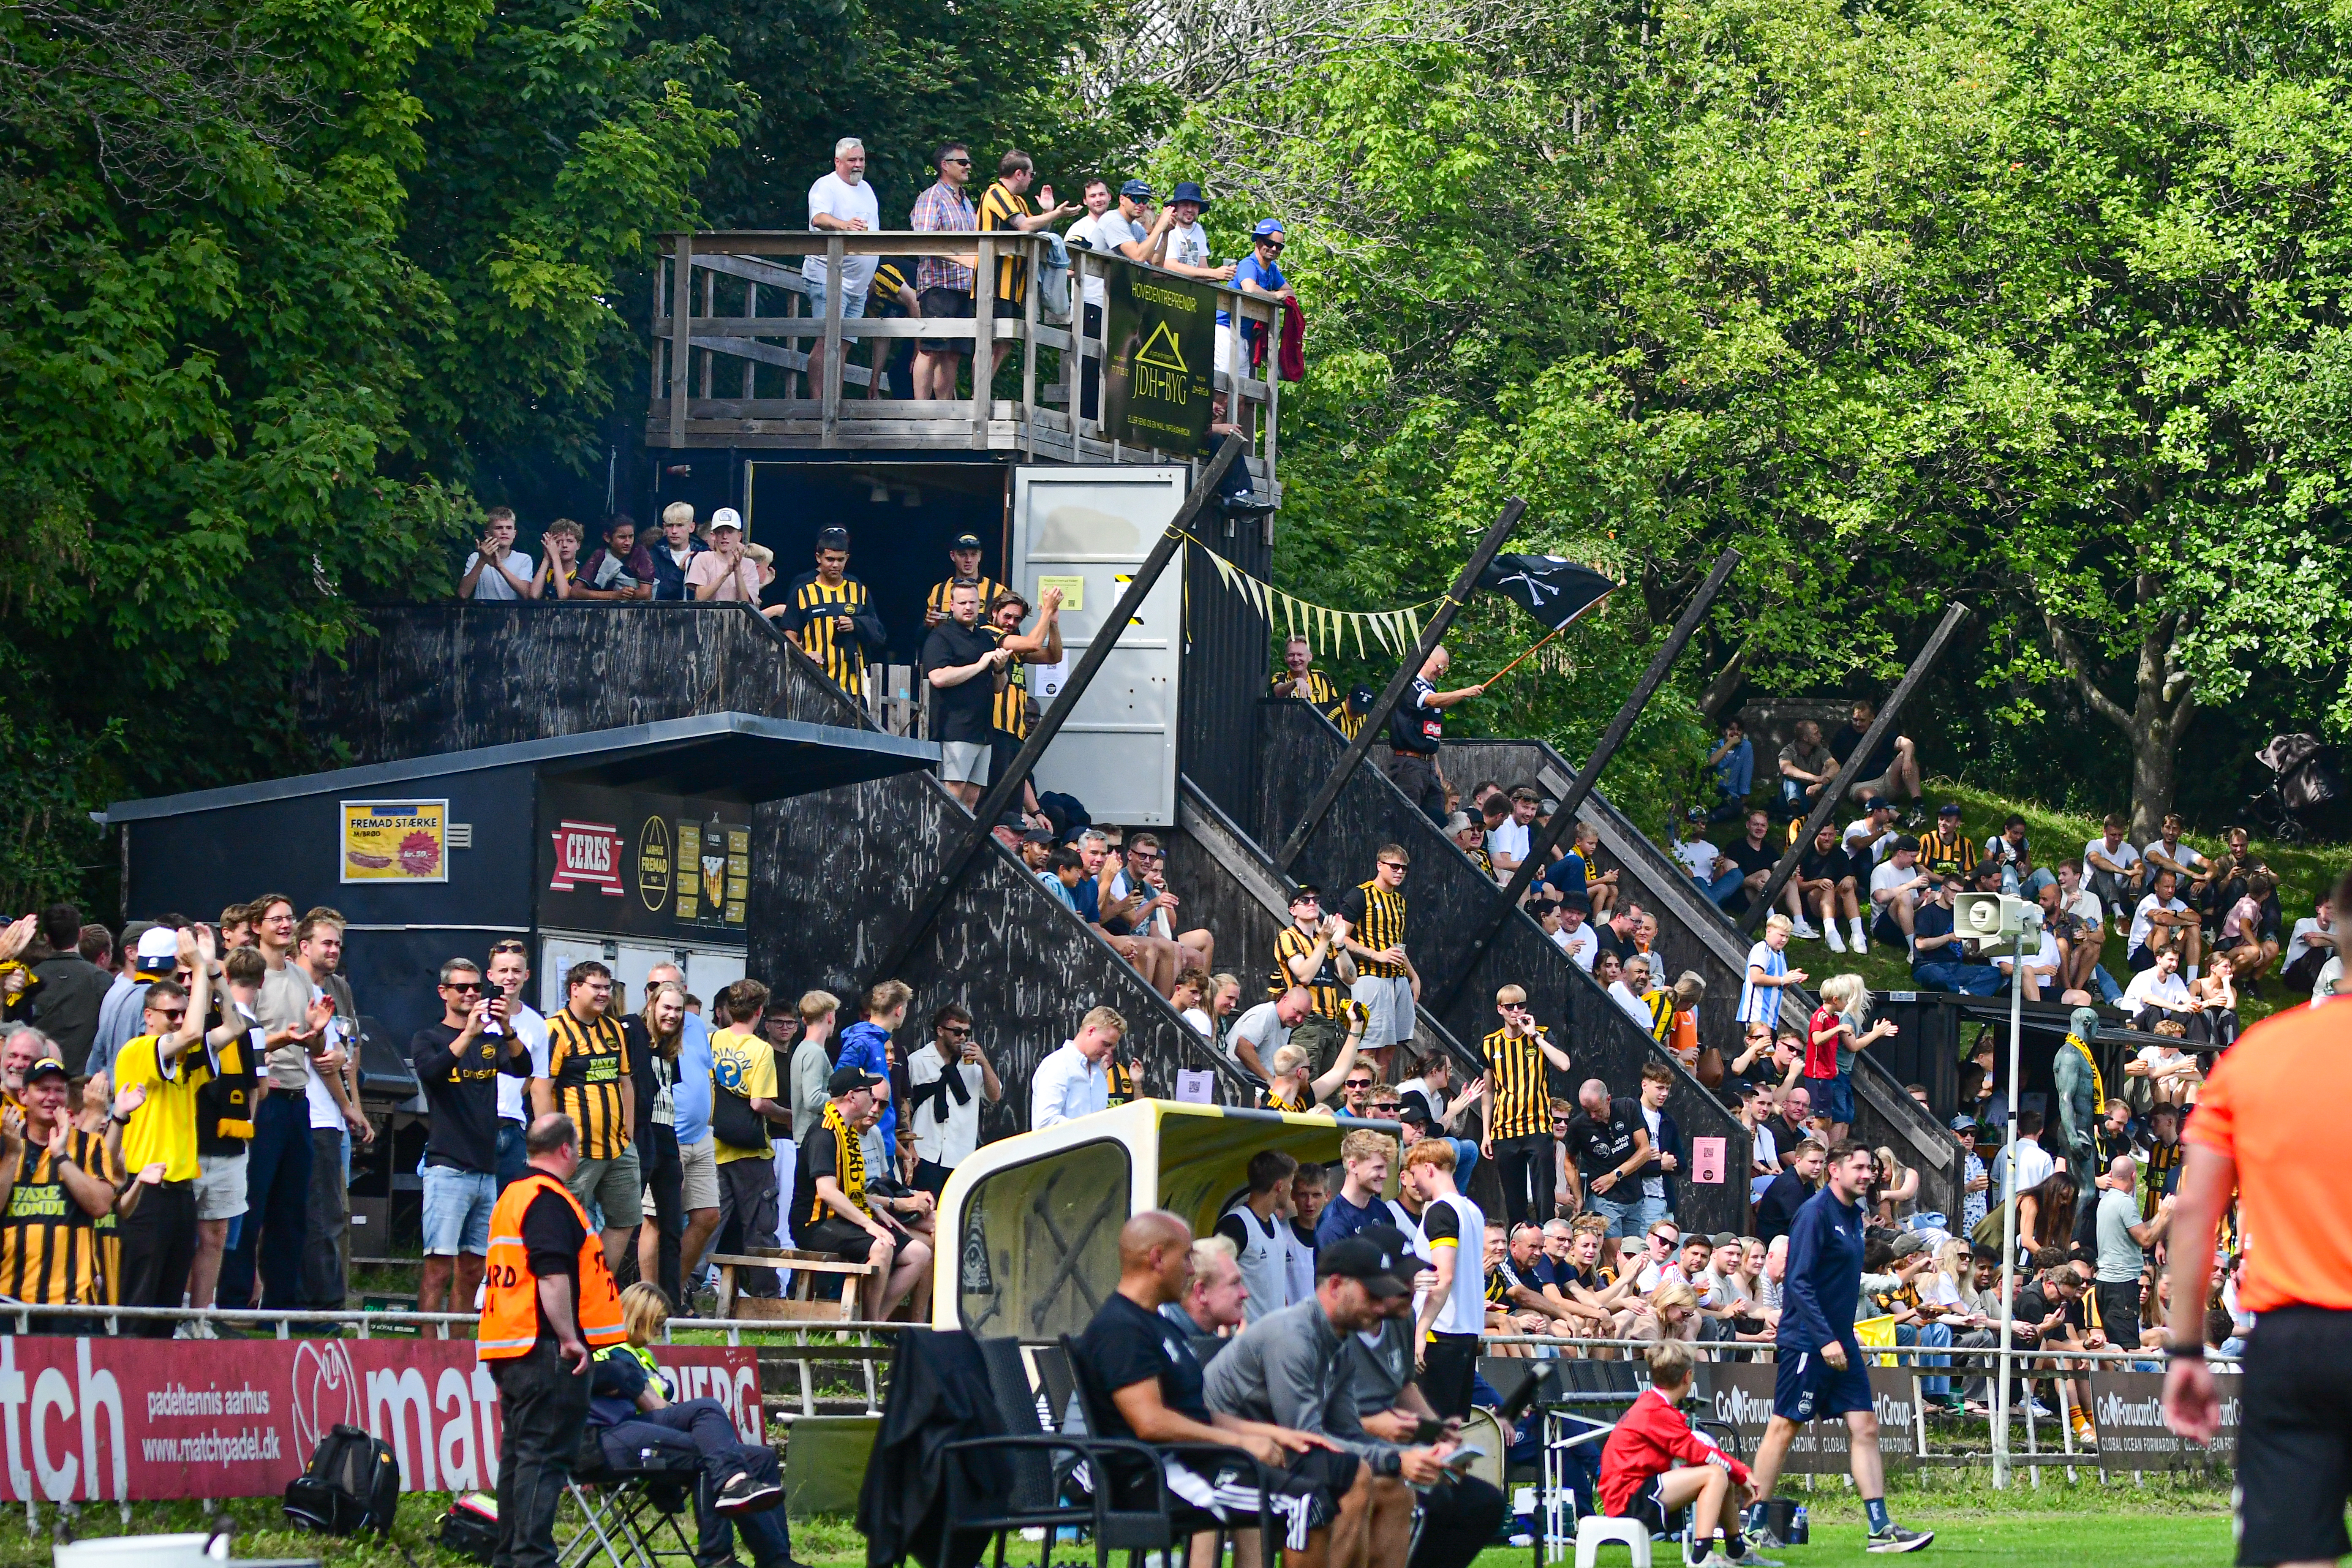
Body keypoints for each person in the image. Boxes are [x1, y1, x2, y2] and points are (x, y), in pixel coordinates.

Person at [2162, 930, 2352, 1566]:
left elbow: (2194, 1212)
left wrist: (2187, 1347)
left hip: (2300, 1336)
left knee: (2294, 1552)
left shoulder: (2260, 1052)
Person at [1073, 1210, 1356, 1568]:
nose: (1191, 1269)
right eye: (1187, 1257)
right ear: (1158, 1259)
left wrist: (1276, 1434)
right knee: (1306, 1503)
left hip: (1189, 1462)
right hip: (1155, 1476)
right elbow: (1150, 1423)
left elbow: (1200, 1415)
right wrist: (1240, 1443)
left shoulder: (1157, 1325)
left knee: (1322, 1482)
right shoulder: (1120, 1329)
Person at [1745, 1141, 1932, 1553]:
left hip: (1841, 1337)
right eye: (1860, 1167)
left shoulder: (1853, 1214)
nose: (1868, 1174)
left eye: (1871, 1168)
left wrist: (1841, 1335)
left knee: (1865, 1425)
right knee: (1784, 1426)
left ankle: (1880, 1529)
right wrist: (1826, 1337)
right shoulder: (1814, 1214)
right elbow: (1799, 1282)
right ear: (1834, 1170)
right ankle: (1754, 1524)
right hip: (1809, 1340)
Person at [482, 1113, 627, 1568]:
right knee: (543, 1461)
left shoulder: (514, 1195)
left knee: (520, 1460)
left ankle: (511, 1557)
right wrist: (569, 1337)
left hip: (513, 1345)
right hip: (545, 1349)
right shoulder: (548, 1199)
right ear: (567, 1149)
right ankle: (532, 1559)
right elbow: (551, 1272)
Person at [590, 1283, 793, 1561]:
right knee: (708, 1429)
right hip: (633, 1443)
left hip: (658, 1437)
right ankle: (717, 1557)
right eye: (657, 1325)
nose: (659, 1333)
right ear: (639, 1317)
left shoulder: (643, 1355)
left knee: (762, 1458)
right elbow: (653, 1404)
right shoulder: (610, 1352)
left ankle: (777, 1559)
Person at [414, 957, 533, 1326]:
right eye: (462, 988)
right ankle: (429, 1353)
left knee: (472, 1271)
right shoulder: (428, 1038)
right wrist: (467, 1032)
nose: (470, 994)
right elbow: (431, 1074)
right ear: (443, 992)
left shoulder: (490, 1041)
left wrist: (507, 1029)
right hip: (447, 1167)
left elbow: (523, 1067)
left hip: (486, 1170)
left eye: (476, 988)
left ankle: (459, 1354)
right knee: (438, 1269)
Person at [110, 941, 216, 1337]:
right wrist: (199, 969)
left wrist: (214, 975)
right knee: (140, 1299)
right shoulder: (137, 1050)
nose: (177, 1021)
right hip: (145, 1187)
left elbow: (234, 1030)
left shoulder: (182, 1057)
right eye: (169, 1014)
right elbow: (193, 1031)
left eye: (180, 1012)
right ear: (148, 1017)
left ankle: (158, 1384)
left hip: (181, 1189)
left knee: (170, 1301)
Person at [1600, 1340, 1767, 1568]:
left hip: (1633, 1490)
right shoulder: (1655, 1410)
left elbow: (1700, 1453)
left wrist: (1737, 1474)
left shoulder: (1654, 1403)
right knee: (1715, 1474)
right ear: (1688, 1377)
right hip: (1628, 1498)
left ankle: (1736, 1550)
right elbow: (1699, 1454)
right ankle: (1701, 1557)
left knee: (1721, 1475)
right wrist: (1743, 1473)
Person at [794, 1067, 931, 1319]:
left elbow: (850, 1190)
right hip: (816, 1224)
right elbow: (827, 1191)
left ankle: (878, 1319)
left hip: (844, 1219)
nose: (873, 1098)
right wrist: (869, 1224)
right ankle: (867, 1324)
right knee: (882, 1246)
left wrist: (877, 1209)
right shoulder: (824, 1133)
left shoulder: (848, 1131)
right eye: (868, 1091)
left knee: (919, 1254)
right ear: (852, 1097)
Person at [0, 1055, 122, 1327]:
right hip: (9, 1299)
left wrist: (61, 1157)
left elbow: (101, 1206)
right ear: (23, 1095)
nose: (51, 1097)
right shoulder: (5, 1142)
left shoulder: (90, 1145)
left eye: (59, 1090)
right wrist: (11, 1154)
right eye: (43, 1089)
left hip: (72, 1302)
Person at [534, 960, 638, 1274]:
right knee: (565, 1222)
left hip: (618, 1147)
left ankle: (597, 1289)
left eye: (608, 987)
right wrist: (551, 1144)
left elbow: (625, 1082)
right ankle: (565, 1289)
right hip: (577, 1150)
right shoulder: (555, 1029)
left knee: (626, 1219)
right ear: (575, 989)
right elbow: (541, 1089)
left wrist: (629, 1131)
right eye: (597, 987)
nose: (604, 994)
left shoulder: (613, 1028)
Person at [709, 979, 785, 1293]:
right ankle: (767, 1296)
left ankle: (687, 1285)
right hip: (752, 1153)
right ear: (759, 1011)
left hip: (715, 1145)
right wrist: (788, 1117)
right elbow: (759, 1103)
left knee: (709, 1223)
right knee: (760, 1227)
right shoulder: (761, 1049)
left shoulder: (712, 1039)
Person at [1403, 1139, 1486, 1419]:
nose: (1414, 1185)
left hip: (1440, 1333)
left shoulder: (1441, 1211)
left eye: (1414, 1175)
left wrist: (1420, 1330)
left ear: (1428, 1169)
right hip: (1466, 1333)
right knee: (1452, 1428)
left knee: (1431, 1428)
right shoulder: (1472, 1210)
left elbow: (1444, 1275)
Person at [1480, 985, 1571, 1230]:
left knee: (1544, 1196)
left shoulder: (1541, 1034)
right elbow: (1488, 1091)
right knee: (1514, 1202)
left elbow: (1564, 1065)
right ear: (1500, 1010)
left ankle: (1547, 1243)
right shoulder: (1490, 1044)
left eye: (1521, 1005)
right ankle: (1518, 1249)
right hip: (1504, 1129)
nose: (1516, 1011)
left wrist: (1536, 1037)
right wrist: (1486, 1133)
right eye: (1510, 1007)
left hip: (1538, 1127)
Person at [803, 135, 882, 399]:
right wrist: (844, 224)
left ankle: (833, 405)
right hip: (828, 277)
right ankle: (818, 407)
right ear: (838, 161)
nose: (858, 165)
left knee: (844, 346)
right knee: (827, 342)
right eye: (852, 160)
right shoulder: (826, 186)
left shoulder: (867, 189)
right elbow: (819, 218)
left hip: (859, 284)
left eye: (862, 159)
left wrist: (870, 275)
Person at [922, 579, 1012, 807]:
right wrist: (980, 666)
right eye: (963, 602)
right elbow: (938, 678)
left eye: (974, 602)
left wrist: (1000, 668)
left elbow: (999, 687)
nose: (969, 607)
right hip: (954, 729)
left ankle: (963, 843)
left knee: (972, 799)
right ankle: (942, 842)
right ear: (951, 605)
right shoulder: (941, 636)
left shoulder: (984, 638)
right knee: (951, 794)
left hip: (983, 731)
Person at [776, 525, 886, 699]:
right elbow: (788, 634)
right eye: (830, 559)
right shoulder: (802, 592)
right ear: (818, 558)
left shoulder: (859, 590)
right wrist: (805, 654)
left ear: (847, 559)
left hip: (852, 686)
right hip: (813, 682)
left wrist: (855, 624)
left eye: (840, 560)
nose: (835, 565)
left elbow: (879, 633)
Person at [904, 1004, 1000, 1196]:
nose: (962, 1038)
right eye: (957, 1032)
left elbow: (995, 1096)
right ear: (940, 1031)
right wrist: (910, 1147)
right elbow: (903, 1103)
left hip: (960, 1153)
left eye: (966, 1032)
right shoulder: (918, 1061)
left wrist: (984, 1063)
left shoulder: (972, 1065)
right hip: (926, 1152)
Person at [1338, 847, 1419, 1073]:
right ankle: (1361, 1098)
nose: (1400, 872)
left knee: (1391, 1045)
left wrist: (1413, 976)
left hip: (1398, 978)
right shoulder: (1360, 895)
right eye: (1395, 867)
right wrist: (1376, 955)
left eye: (1404, 868)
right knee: (1368, 1046)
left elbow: (1396, 945)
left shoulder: (1400, 902)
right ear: (1380, 865)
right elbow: (1340, 937)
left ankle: (1380, 1098)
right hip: (1370, 977)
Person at [909, 142, 980, 400]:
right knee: (931, 348)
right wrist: (965, 261)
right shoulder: (931, 197)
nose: (968, 167)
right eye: (962, 163)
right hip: (938, 286)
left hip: (964, 286)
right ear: (945, 166)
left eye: (968, 162)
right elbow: (924, 241)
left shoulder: (966, 202)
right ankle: (921, 413)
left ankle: (944, 416)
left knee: (954, 353)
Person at [1384, 646, 1484, 826]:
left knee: (1437, 818)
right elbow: (1431, 700)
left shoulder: (1432, 687)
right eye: (1439, 666)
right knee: (1407, 817)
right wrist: (1465, 692)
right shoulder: (1410, 683)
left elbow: (1427, 730)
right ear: (1425, 660)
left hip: (1428, 763)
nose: (1441, 672)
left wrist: (1435, 762)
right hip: (1409, 764)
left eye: (1445, 669)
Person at [1271, 885, 1361, 1075]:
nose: (1313, 903)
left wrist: (1340, 943)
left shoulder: (1324, 940)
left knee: (1330, 1091)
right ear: (1292, 910)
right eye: (1305, 900)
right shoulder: (1288, 937)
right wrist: (1324, 941)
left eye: (1316, 900)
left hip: (1331, 1021)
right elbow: (1304, 975)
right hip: (1307, 1021)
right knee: (1306, 1083)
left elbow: (1350, 977)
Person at [1560, 1079, 1652, 1236]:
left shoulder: (1627, 1108)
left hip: (1634, 1196)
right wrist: (1579, 1197)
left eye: (1597, 1110)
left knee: (1632, 1251)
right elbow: (1569, 1162)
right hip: (1604, 1200)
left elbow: (1645, 1151)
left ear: (1608, 1099)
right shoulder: (1578, 1126)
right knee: (1613, 1252)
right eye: (1587, 1110)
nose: (1593, 1116)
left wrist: (1614, 1176)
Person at [27, 904, 109, 1071]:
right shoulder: (101, 980)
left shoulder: (29, 980)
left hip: (41, 1077)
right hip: (84, 1082)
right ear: (80, 934)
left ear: (47, 938)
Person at [1910, 873, 2005, 995]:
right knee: (1940, 976)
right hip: (1929, 965)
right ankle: (1962, 994)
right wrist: (1948, 938)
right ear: (1943, 888)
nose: (1956, 896)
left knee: (1994, 973)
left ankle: (1965, 995)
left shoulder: (1960, 914)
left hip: (1956, 967)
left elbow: (1973, 946)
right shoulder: (1927, 912)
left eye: (1960, 893)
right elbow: (1921, 945)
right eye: (1954, 891)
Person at [1032, 1006, 1122, 1127]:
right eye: (1106, 1044)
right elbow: (1046, 1122)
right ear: (1091, 1031)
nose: (1108, 1052)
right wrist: (1093, 1131)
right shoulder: (1058, 1064)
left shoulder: (1099, 1073)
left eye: (1112, 1048)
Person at [1827, 697, 1921, 808]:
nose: (1858, 724)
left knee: (1907, 755)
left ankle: (1918, 805)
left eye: (1862, 721)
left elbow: (1907, 743)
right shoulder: (1843, 736)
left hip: (1886, 779)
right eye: (1855, 720)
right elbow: (1831, 761)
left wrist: (1907, 761)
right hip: (1860, 785)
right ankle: (1891, 814)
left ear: (1872, 718)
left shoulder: (1881, 731)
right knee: (1867, 795)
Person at [1737, 914, 1808, 1034]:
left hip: (1771, 1018)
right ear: (1769, 931)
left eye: (1787, 936)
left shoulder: (1780, 954)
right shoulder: (1761, 949)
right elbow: (1756, 977)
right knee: (1759, 1051)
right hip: (1756, 1016)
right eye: (1781, 935)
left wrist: (1792, 979)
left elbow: (1781, 984)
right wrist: (1784, 980)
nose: (1784, 940)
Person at [2083, 816, 2146, 932]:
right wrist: (2125, 872)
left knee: (2141, 879)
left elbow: (2140, 866)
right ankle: (2119, 915)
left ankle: (2141, 918)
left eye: (2120, 835)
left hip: (2115, 893)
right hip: (2093, 895)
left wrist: (2138, 875)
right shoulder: (2094, 845)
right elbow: (2097, 860)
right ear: (2104, 832)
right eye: (2113, 835)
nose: (2117, 839)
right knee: (2103, 870)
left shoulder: (2127, 848)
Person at [1755, 1140, 1823, 1246]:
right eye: (1813, 1162)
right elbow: (1803, 1223)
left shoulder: (1807, 1183)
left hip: (1790, 1240)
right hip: (1775, 1247)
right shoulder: (1789, 1185)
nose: (1818, 1167)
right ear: (1799, 1161)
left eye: (1821, 1162)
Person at [460, 506, 535, 600]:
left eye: (509, 528)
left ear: (514, 534)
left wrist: (499, 566)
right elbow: (463, 594)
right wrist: (482, 560)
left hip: (513, 614)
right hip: (482, 613)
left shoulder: (524, 559)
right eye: (499, 528)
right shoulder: (475, 558)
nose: (504, 532)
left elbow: (527, 594)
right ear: (488, 534)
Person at [1776, 719, 1838, 822]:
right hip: (1791, 798)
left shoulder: (1821, 751)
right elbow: (1786, 769)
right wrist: (1815, 778)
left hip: (1813, 794)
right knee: (1790, 779)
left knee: (1832, 779)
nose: (1820, 736)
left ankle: (1827, 814)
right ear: (1805, 738)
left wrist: (1820, 784)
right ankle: (1795, 814)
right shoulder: (1788, 751)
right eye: (1816, 734)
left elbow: (1835, 767)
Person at [1706, 718, 1755, 823]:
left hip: (1730, 795)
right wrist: (1729, 745)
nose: (1736, 733)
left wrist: (1744, 803)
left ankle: (1707, 819)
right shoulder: (1715, 745)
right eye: (1731, 729)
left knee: (1737, 808)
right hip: (1712, 791)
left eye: (1739, 730)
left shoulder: (1746, 747)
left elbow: (1746, 775)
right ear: (1724, 731)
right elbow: (1712, 762)